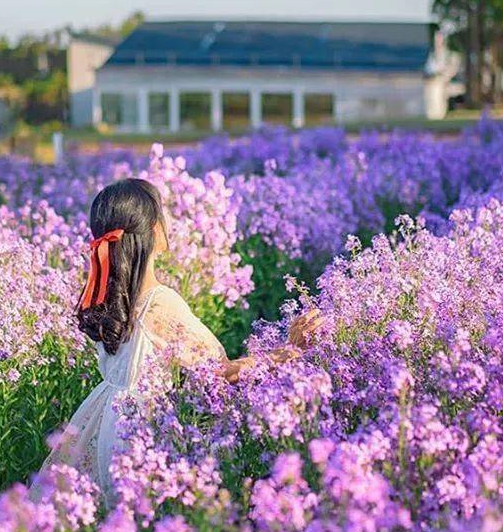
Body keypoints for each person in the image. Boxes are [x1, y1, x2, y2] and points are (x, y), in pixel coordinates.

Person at [39, 177, 321, 499]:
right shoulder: (160, 303)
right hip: (140, 434)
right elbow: (221, 372)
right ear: (155, 231)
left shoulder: (107, 301)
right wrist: (289, 351)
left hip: (106, 424)